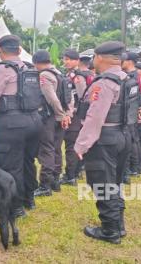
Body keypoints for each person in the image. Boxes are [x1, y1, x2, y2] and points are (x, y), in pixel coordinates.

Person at [0, 35, 43, 216]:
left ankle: (14, 208)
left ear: (0, 52)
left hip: (12, 124)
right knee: (28, 162)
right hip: (34, 121)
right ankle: (28, 199)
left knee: (9, 166)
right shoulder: (29, 69)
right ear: (20, 50)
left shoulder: (0, 70)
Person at [74, 41, 128, 244]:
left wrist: (81, 145)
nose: (94, 60)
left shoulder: (104, 83)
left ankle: (109, 230)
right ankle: (118, 225)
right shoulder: (126, 79)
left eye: (95, 56)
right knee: (115, 183)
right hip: (123, 136)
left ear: (101, 58)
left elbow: (95, 117)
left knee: (103, 183)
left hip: (105, 140)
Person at [32, 50, 73, 197]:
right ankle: (55, 181)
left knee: (47, 150)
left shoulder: (44, 75)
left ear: (36, 62)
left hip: (50, 118)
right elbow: (69, 98)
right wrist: (67, 114)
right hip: (60, 118)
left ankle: (45, 185)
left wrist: (62, 115)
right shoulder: (60, 74)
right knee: (56, 149)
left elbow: (52, 98)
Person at [60, 49, 88, 186]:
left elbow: (83, 96)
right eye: (65, 59)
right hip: (72, 113)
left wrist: (75, 111)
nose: (66, 62)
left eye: (69, 59)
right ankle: (75, 172)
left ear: (77, 60)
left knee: (71, 145)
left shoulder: (77, 76)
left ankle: (70, 176)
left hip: (76, 114)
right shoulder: (68, 74)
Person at [121, 52, 141, 177]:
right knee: (134, 140)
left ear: (129, 61)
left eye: (123, 60)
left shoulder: (132, 77)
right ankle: (136, 167)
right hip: (132, 112)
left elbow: (131, 97)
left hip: (129, 112)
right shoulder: (135, 75)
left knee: (131, 141)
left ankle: (133, 168)